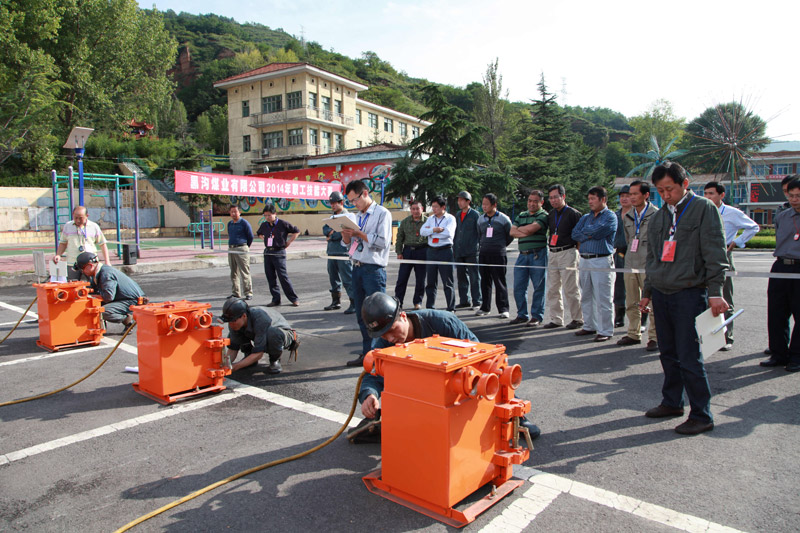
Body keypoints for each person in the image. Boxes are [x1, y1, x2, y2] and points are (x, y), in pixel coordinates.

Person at [356, 292, 540, 441]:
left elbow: (482, 358)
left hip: (457, 384)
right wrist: (369, 395)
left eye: (391, 330)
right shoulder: (383, 343)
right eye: (383, 335)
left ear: (403, 316)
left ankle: (516, 416)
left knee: (490, 372)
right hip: (421, 393)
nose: (389, 338)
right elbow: (372, 374)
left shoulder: (442, 322)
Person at [639, 161, 729, 435]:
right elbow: (653, 259)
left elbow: (715, 253)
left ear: (685, 184)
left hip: (689, 292)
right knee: (668, 353)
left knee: (690, 356)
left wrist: (716, 292)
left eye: (670, 189)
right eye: (660, 191)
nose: (666, 195)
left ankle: (701, 414)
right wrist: (647, 293)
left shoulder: (703, 208)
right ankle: (672, 402)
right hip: (662, 293)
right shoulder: (658, 218)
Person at [703, 181, 760, 350]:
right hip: (703, 256)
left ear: (721, 195)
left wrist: (736, 242)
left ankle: (727, 337)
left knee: (724, 297)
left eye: (711, 193)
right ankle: (706, 336)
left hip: (723, 256)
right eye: (705, 193)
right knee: (704, 297)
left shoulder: (732, 213)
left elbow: (753, 227)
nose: (707, 197)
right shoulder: (702, 211)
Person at [341, 180, 392, 367]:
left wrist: (360, 234)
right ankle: (367, 353)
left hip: (373, 270)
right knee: (362, 314)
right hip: (357, 267)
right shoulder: (356, 216)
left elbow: (383, 242)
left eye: (355, 200)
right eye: (350, 202)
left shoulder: (382, 213)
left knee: (378, 315)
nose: (354, 204)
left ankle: (381, 355)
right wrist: (346, 235)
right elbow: (349, 245)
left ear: (364, 193)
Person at [762, 177, 800, 372]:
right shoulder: (782, 216)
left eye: (798, 196)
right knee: (776, 312)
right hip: (781, 266)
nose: (794, 199)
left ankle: (797, 356)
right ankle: (778, 354)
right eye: (791, 195)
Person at [571, 186, 617, 342]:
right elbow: (575, 233)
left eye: (593, 199)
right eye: (589, 199)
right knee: (586, 295)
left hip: (601, 259)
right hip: (584, 259)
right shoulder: (585, 217)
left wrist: (587, 233)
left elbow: (599, 231)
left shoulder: (610, 216)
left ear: (603, 199)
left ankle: (605, 330)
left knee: (603, 297)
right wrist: (589, 233)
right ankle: (589, 325)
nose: (590, 202)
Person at [618, 180, 659, 351]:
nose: (632, 197)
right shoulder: (628, 215)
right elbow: (628, 239)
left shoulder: (656, 214)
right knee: (631, 300)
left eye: (635, 194)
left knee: (652, 302)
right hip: (630, 262)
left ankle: (655, 337)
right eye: (630, 194)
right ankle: (633, 333)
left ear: (646, 195)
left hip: (648, 264)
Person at [220, 297, 299, 375]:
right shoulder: (235, 322)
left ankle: (275, 359)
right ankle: (248, 356)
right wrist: (223, 365)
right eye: (229, 321)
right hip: (261, 332)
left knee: (273, 334)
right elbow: (233, 349)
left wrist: (236, 366)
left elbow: (258, 353)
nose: (231, 324)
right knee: (236, 332)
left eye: (233, 321)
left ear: (244, 316)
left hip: (284, 334)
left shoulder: (259, 318)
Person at [542, 184, 583, 330]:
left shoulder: (573, 214)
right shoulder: (551, 214)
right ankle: (556, 319)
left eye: (556, 197)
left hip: (568, 252)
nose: (553, 200)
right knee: (553, 288)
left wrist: (577, 254)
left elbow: (579, 237)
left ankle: (577, 318)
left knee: (570, 288)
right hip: (553, 252)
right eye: (551, 198)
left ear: (563, 196)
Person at [74, 251, 145, 327]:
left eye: (82, 269)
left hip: (133, 300)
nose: (83, 272)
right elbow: (92, 288)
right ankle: (100, 325)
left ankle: (128, 319)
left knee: (102, 311)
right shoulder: (99, 272)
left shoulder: (106, 274)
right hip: (123, 298)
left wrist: (91, 296)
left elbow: (108, 297)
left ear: (90, 266)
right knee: (92, 303)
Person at [510, 190, 549, 327]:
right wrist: (526, 230)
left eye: (535, 201)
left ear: (541, 202)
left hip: (538, 254)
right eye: (530, 201)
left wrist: (522, 230)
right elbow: (512, 232)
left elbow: (531, 229)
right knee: (518, 287)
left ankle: (537, 316)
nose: (531, 204)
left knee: (538, 287)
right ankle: (522, 315)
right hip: (522, 255)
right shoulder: (522, 215)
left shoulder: (543, 215)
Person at [475, 193, 513, 319]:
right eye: (483, 204)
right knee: (485, 281)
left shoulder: (504, 219)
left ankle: (503, 309)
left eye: (487, 204)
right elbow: (479, 234)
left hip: (498, 254)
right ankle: (485, 307)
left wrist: (500, 245)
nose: (484, 207)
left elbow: (510, 235)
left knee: (499, 281)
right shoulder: (481, 219)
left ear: (494, 205)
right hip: (484, 253)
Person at [256, 203, 300, 307]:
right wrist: (265, 239)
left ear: (275, 214)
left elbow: (296, 231)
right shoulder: (264, 225)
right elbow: (259, 233)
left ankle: (293, 298)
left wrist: (289, 242)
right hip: (268, 252)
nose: (267, 217)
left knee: (283, 276)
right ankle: (276, 299)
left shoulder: (282, 224)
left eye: (269, 215)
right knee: (270, 276)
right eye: (265, 215)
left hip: (279, 252)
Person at [53, 206, 110, 281]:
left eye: (81, 218)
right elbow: (63, 243)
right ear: (73, 215)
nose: (78, 220)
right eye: (75, 217)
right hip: (72, 263)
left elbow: (102, 244)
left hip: (90, 264)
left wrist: (107, 261)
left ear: (87, 216)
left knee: (93, 284)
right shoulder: (67, 226)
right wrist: (58, 255)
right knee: (72, 284)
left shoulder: (94, 226)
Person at [322, 191, 356, 314]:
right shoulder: (332, 217)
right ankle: (336, 301)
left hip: (343, 252)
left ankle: (354, 302)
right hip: (331, 252)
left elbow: (341, 233)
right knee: (333, 278)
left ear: (341, 202)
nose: (332, 205)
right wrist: (332, 232)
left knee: (347, 278)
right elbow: (325, 229)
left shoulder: (347, 216)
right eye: (331, 203)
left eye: (334, 203)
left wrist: (331, 235)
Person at [420, 196, 456, 311]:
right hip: (431, 251)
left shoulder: (450, 218)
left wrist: (431, 233)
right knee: (431, 281)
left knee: (447, 281)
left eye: (436, 207)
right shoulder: (430, 219)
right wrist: (434, 230)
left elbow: (448, 233)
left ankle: (451, 308)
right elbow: (422, 231)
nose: (434, 209)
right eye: (433, 207)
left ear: (443, 207)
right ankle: (430, 307)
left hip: (445, 250)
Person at [393, 199, 427, 310]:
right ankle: (398, 302)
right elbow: (399, 238)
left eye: (418, 209)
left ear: (422, 209)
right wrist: (399, 252)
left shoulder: (428, 222)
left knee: (420, 279)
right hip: (407, 252)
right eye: (413, 209)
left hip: (422, 251)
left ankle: (417, 302)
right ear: (410, 210)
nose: (415, 211)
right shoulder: (405, 222)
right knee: (402, 278)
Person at [453, 191, 481, 310]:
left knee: (474, 277)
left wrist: (478, 247)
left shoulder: (475, 215)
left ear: (468, 201)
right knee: (461, 277)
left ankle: (477, 301)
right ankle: (464, 300)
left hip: (472, 251)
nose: (459, 202)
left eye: (461, 200)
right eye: (458, 200)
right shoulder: (458, 214)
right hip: (459, 250)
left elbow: (480, 232)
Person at [613, 185, 632, 328]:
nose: (624, 199)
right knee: (618, 286)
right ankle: (619, 316)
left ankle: (641, 319)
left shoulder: (637, 214)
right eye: (622, 196)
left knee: (635, 286)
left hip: (634, 253)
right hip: (618, 253)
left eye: (627, 196)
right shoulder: (615, 215)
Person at [227, 205, 254, 300]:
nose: (233, 214)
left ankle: (248, 292)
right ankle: (236, 292)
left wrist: (245, 247)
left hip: (241, 248)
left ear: (239, 212)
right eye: (232, 212)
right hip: (231, 249)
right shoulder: (230, 224)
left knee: (244, 271)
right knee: (233, 272)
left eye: (235, 211)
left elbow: (250, 236)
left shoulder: (244, 223)